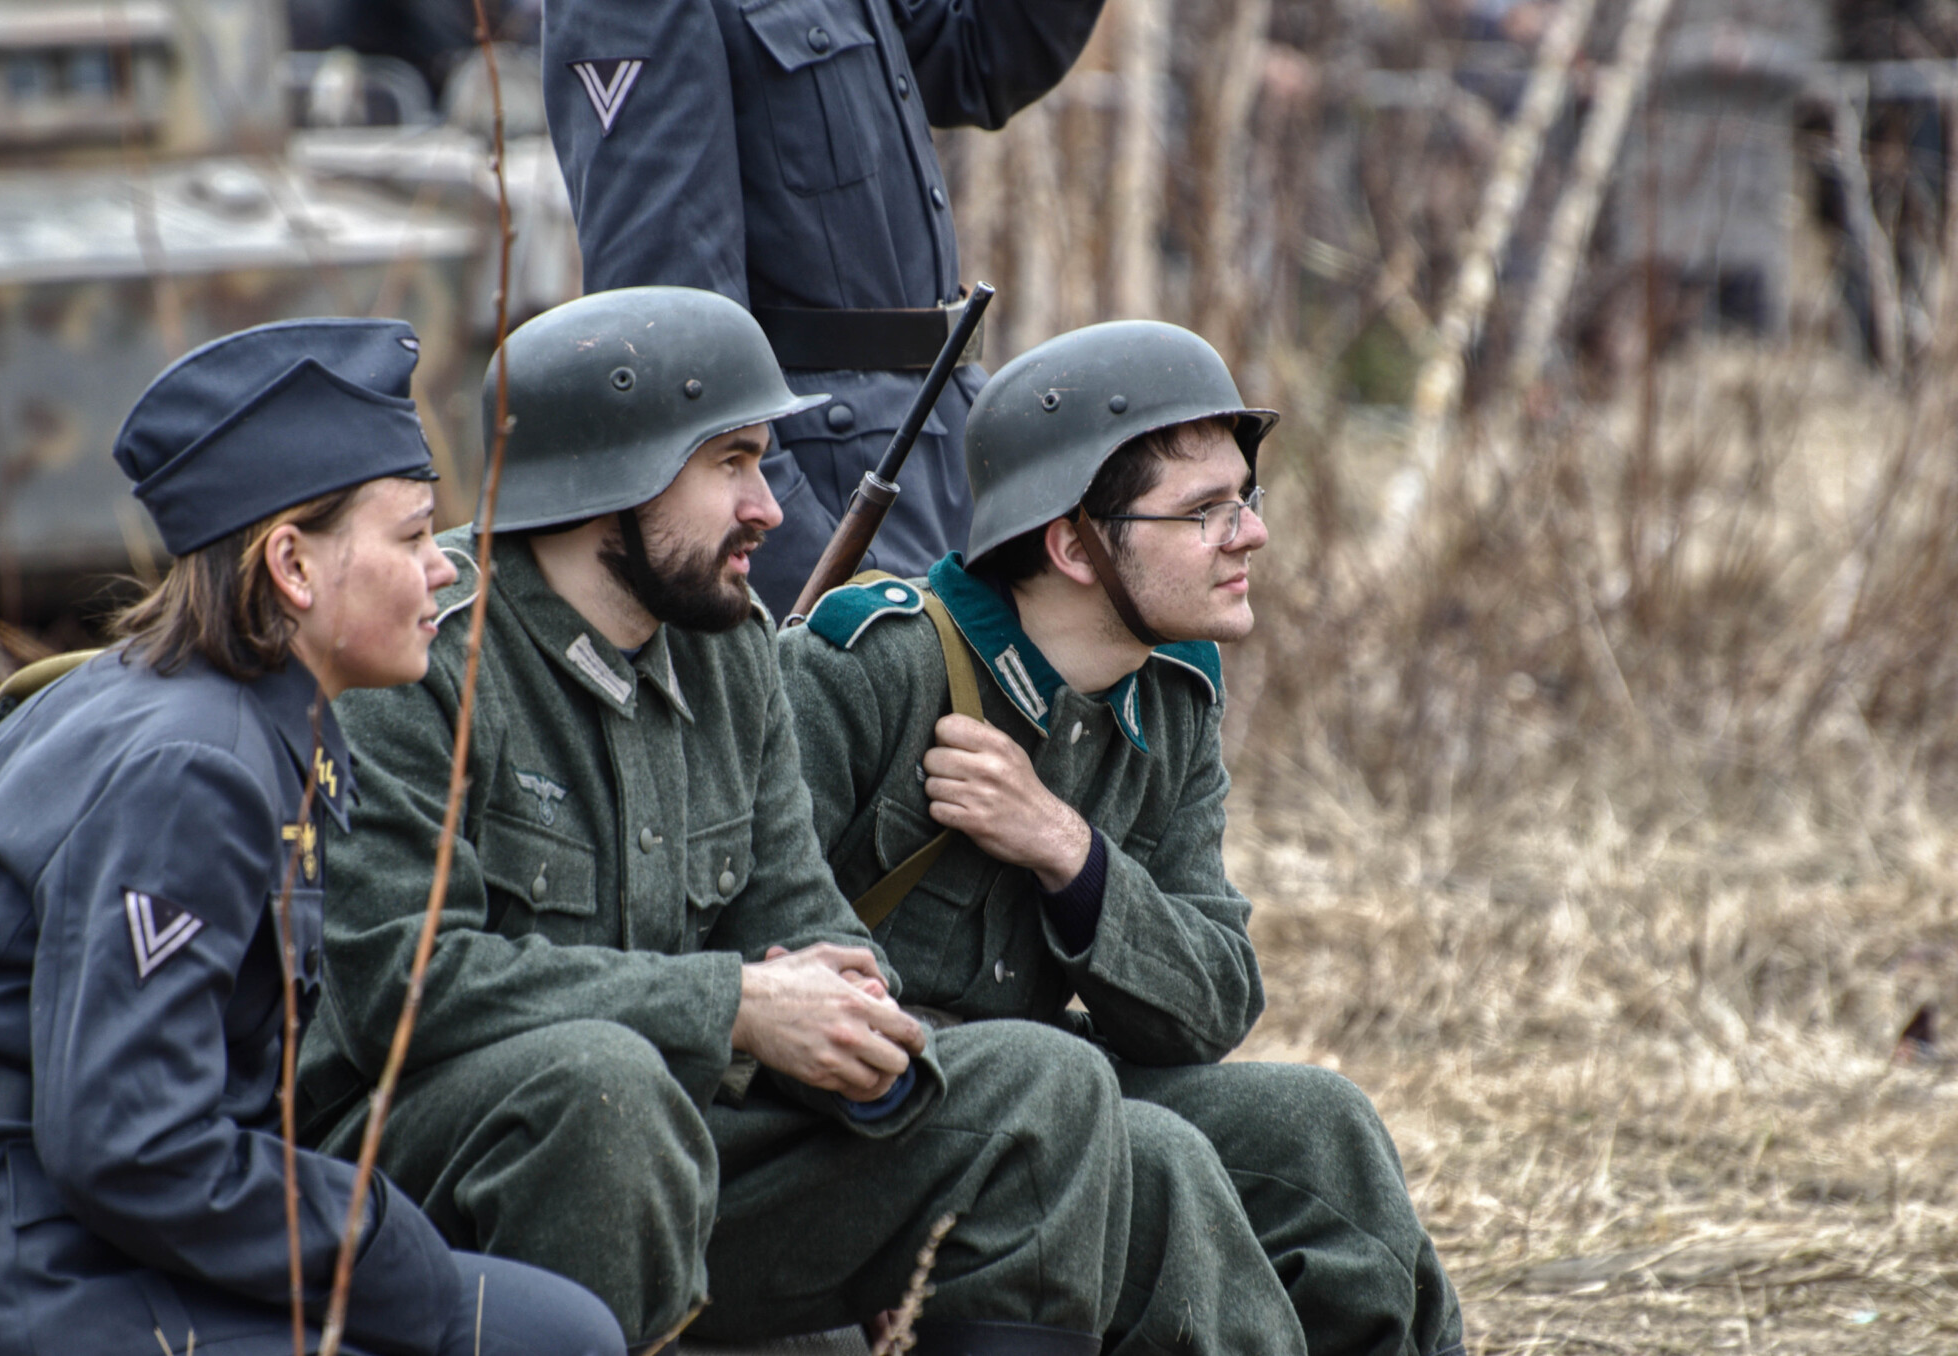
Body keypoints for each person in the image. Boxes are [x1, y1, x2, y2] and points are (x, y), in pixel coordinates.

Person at [296, 287, 1142, 1356]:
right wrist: (735, 1007)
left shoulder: (728, 643)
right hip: (439, 1161)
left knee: (1043, 1085)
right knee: (606, 1087)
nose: (770, 508)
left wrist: (852, 1022)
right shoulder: (422, 653)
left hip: (681, 1135)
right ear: (614, 474)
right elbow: (403, 990)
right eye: (730, 463)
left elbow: (791, 897)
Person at [0, 320, 624, 1356]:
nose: (442, 572)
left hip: (43, 1215)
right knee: (545, 1338)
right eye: (413, 536)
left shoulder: (192, 705)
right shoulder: (194, 764)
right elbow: (131, 1145)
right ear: (290, 563)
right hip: (6, 1257)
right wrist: (380, 1244)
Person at [779, 320, 1468, 1356]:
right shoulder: (869, 667)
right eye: (1204, 512)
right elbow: (749, 937)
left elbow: (1210, 1004)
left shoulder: (1172, 695)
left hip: (1048, 1094)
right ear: (1072, 544)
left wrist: (1070, 853)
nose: (1251, 536)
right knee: (1138, 1148)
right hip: (865, 1118)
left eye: (1245, 498)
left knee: (1318, 1129)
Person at [540, 0, 1110, 617]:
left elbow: (974, 58)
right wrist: (808, 570)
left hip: (944, 451)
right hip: (823, 496)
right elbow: (666, 322)